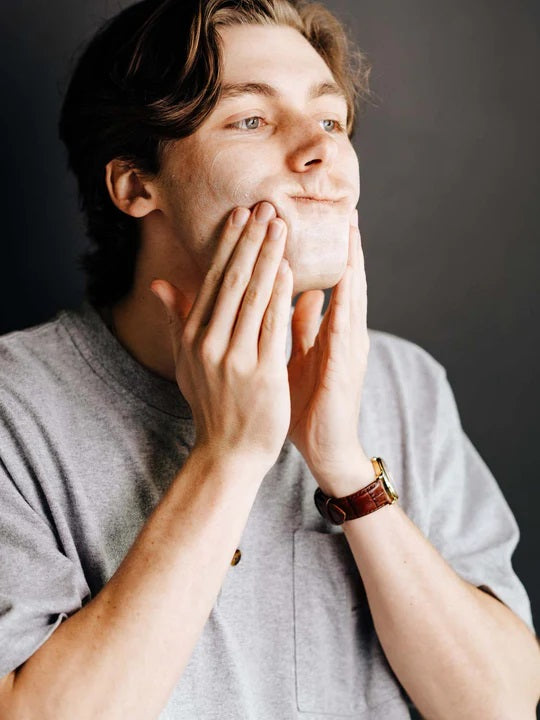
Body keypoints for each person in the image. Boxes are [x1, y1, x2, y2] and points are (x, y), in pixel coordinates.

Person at [0, 0, 538, 718]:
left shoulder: (407, 384)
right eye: (251, 120)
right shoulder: (16, 408)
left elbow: (501, 706)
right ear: (135, 184)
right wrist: (228, 455)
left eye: (330, 120)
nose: (318, 152)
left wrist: (344, 465)